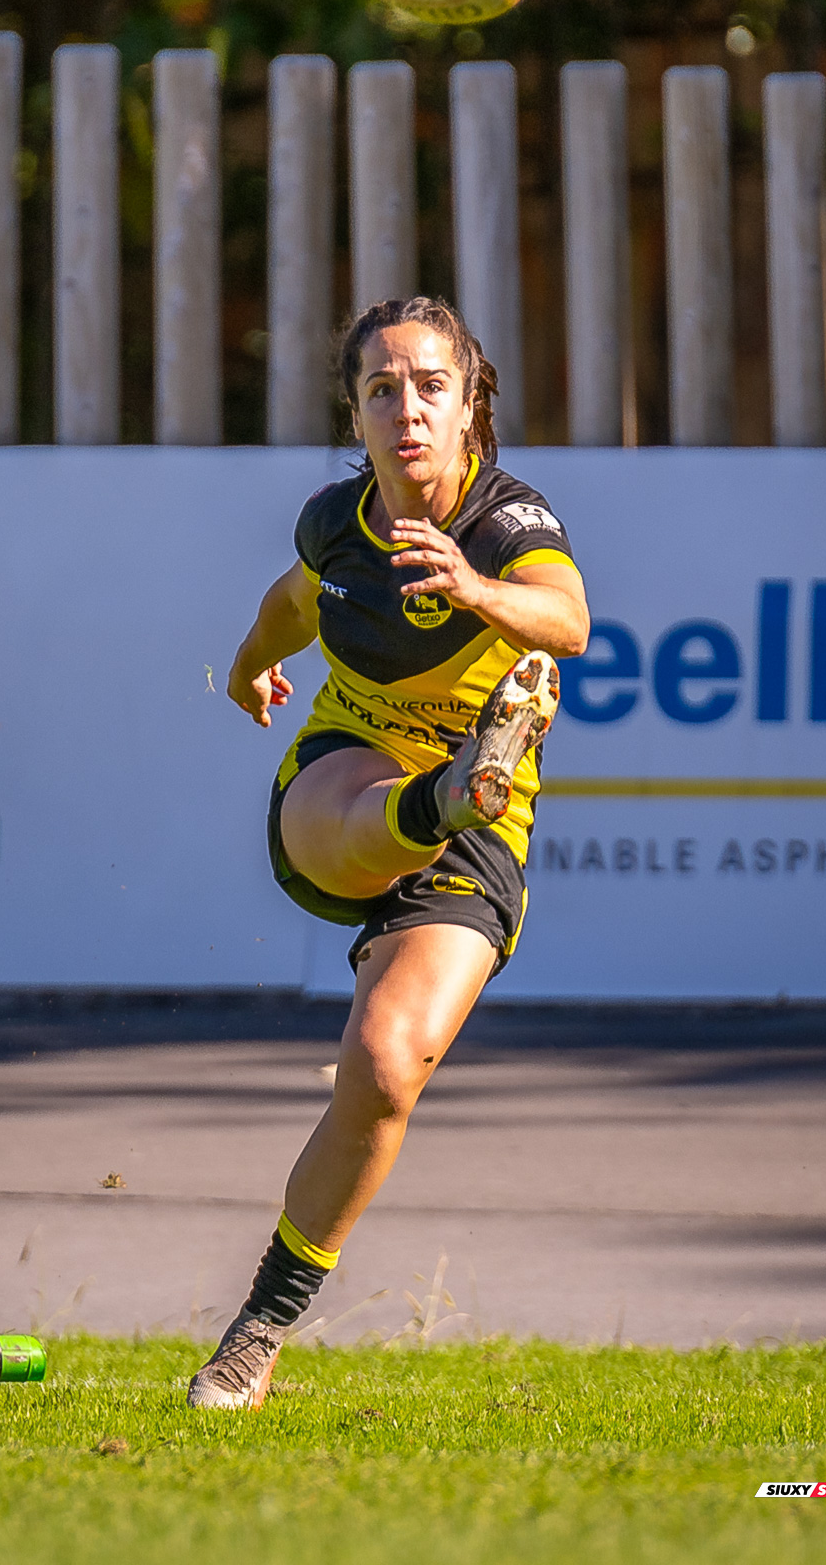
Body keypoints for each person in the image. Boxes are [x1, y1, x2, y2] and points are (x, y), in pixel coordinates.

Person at [187, 297, 590, 1410]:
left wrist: (473, 588)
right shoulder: (337, 525)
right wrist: (242, 666)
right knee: (369, 804)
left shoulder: (510, 523)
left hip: (479, 837)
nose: (404, 407)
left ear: (469, 408)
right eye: (379, 390)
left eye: (427, 385)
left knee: (383, 1066)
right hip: (347, 775)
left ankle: (256, 1334)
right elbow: (293, 602)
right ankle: (442, 796)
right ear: (355, 418)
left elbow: (567, 622)